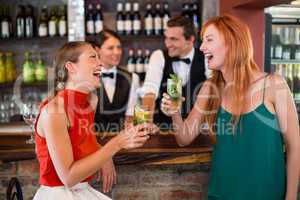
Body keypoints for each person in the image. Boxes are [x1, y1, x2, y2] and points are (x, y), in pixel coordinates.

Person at [161, 15, 300, 200]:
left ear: (232, 42)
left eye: (209, 40)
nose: (202, 47)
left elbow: (295, 147)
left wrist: (291, 198)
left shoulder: (274, 85)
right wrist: (175, 113)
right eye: (202, 41)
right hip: (222, 194)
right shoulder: (210, 89)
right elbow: (184, 138)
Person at [33, 41, 154, 200]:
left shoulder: (91, 101)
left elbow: (82, 140)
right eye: (93, 58)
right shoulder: (54, 110)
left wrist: (105, 155)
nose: (100, 63)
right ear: (71, 67)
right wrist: (115, 144)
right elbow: (68, 177)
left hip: (82, 190)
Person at [141, 15, 206, 130]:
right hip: (165, 129)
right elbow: (149, 91)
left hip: (198, 129)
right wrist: (145, 123)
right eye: (166, 38)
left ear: (190, 39)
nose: (167, 44)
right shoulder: (159, 56)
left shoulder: (205, 57)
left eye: (174, 39)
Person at [92, 30, 140, 132]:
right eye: (110, 48)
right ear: (97, 50)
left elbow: (130, 116)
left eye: (119, 47)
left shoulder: (132, 78)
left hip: (121, 140)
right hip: (93, 140)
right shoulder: (88, 77)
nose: (117, 52)